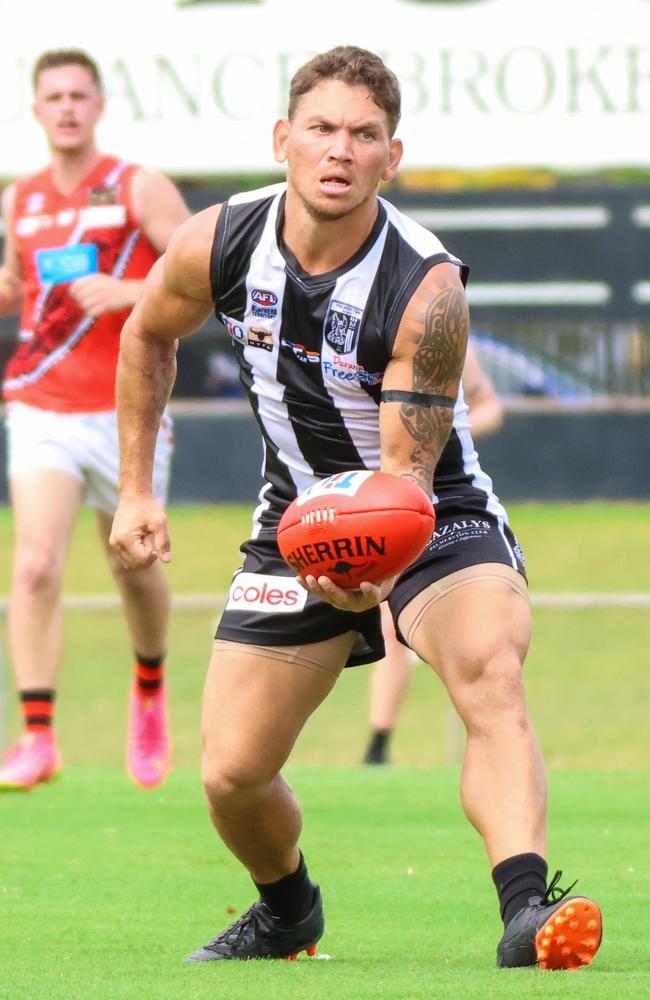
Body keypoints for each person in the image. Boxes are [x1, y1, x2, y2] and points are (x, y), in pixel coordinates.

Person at [110, 46, 602, 969]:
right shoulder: (218, 242)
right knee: (230, 772)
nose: (340, 150)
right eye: (324, 129)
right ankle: (288, 910)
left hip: (429, 508)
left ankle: (526, 913)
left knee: (490, 667)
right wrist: (139, 486)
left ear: (392, 155)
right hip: (292, 517)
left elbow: (404, 485)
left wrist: (368, 575)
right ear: (283, 139)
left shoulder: (427, 289)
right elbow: (145, 337)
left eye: (363, 135)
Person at [0, 49, 190, 791]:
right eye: (54, 96)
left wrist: (130, 288)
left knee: (130, 562)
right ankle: (37, 735)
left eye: (80, 94)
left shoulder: (135, 184)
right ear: (38, 109)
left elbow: (204, 269)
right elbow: (15, 284)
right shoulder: (20, 199)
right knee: (36, 564)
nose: (68, 106)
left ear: (100, 105)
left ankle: (148, 688)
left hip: (127, 407)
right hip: (41, 402)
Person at [364, 343, 504, 764]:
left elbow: (489, 406)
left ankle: (378, 744)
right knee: (387, 628)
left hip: (427, 498)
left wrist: (442, 427)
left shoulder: (451, 341)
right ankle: (378, 744)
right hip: (364, 495)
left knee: (393, 626)